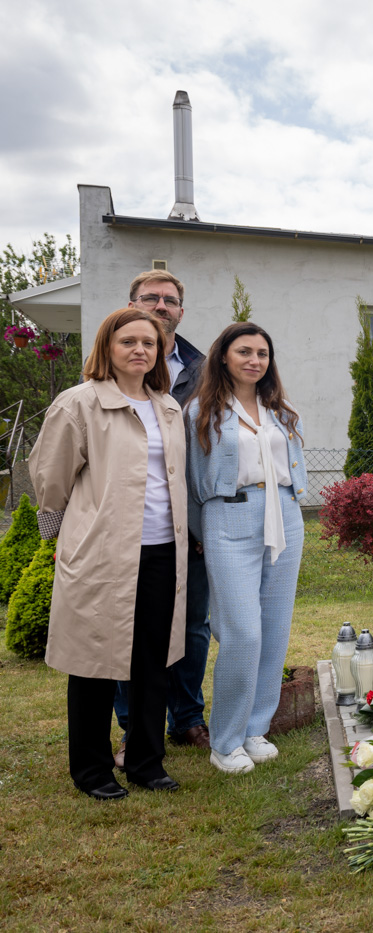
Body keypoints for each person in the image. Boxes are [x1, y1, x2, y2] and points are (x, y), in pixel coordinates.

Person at [30, 308, 188, 799]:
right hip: (101, 553)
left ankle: (146, 763)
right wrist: (61, 538)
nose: (140, 349)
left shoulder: (167, 406)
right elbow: (50, 477)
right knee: (94, 661)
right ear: (107, 347)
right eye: (128, 341)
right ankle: (92, 770)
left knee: (152, 662)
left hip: (162, 551)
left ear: (160, 351)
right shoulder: (79, 403)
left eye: (149, 342)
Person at [186, 323, 309, 773]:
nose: (254, 360)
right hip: (228, 516)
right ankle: (225, 741)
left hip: (284, 515)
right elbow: (191, 480)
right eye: (244, 351)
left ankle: (256, 728)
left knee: (274, 629)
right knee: (242, 633)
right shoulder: (201, 411)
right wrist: (201, 534)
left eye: (262, 353)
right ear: (223, 356)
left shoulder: (282, 409)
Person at [114, 270, 210, 771]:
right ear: (131, 304)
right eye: (149, 298)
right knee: (130, 628)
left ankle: (187, 718)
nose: (160, 305)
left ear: (180, 311)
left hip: (190, 521)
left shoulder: (204, 369)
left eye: (169, 300)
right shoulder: (109, 367)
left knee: (192, 624)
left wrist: (204, 522)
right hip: (131, 524)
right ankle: (133, 727)